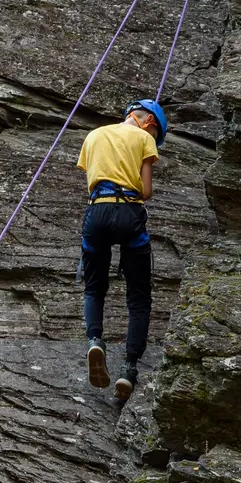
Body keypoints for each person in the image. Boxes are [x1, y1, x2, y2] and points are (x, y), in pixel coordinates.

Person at [75, 99, 167, 402]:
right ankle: (128, 369)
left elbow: (92, 178)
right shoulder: (144, 139)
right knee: (139, 297)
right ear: (150, 124)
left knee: (93, 287)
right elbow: (146, 191)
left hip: (97, 214)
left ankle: (94, 341)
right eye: (155, 134)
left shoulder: (94, 135)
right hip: (129, 215)